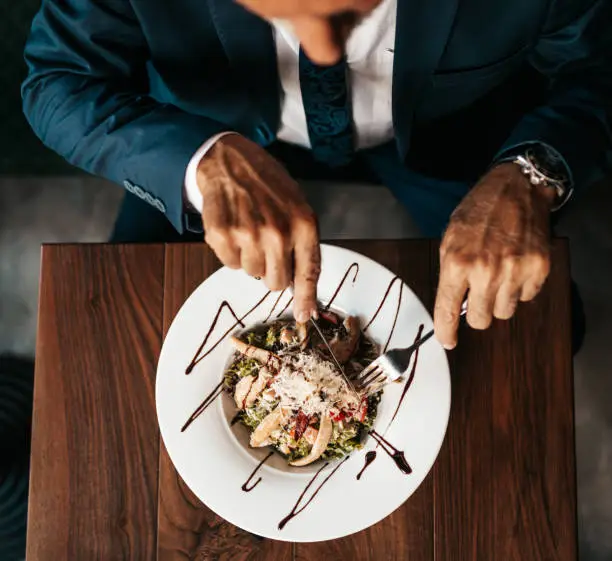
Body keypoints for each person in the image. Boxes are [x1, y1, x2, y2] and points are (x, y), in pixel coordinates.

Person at [22, 0, 610, 349]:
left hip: (447, 140)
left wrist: (534, 172)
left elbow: (599, 68)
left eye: (352, 13)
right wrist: (201, 160)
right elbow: (56, 81)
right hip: (213, 128)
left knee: (539, 332)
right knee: (121, 330)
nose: (325, 55)